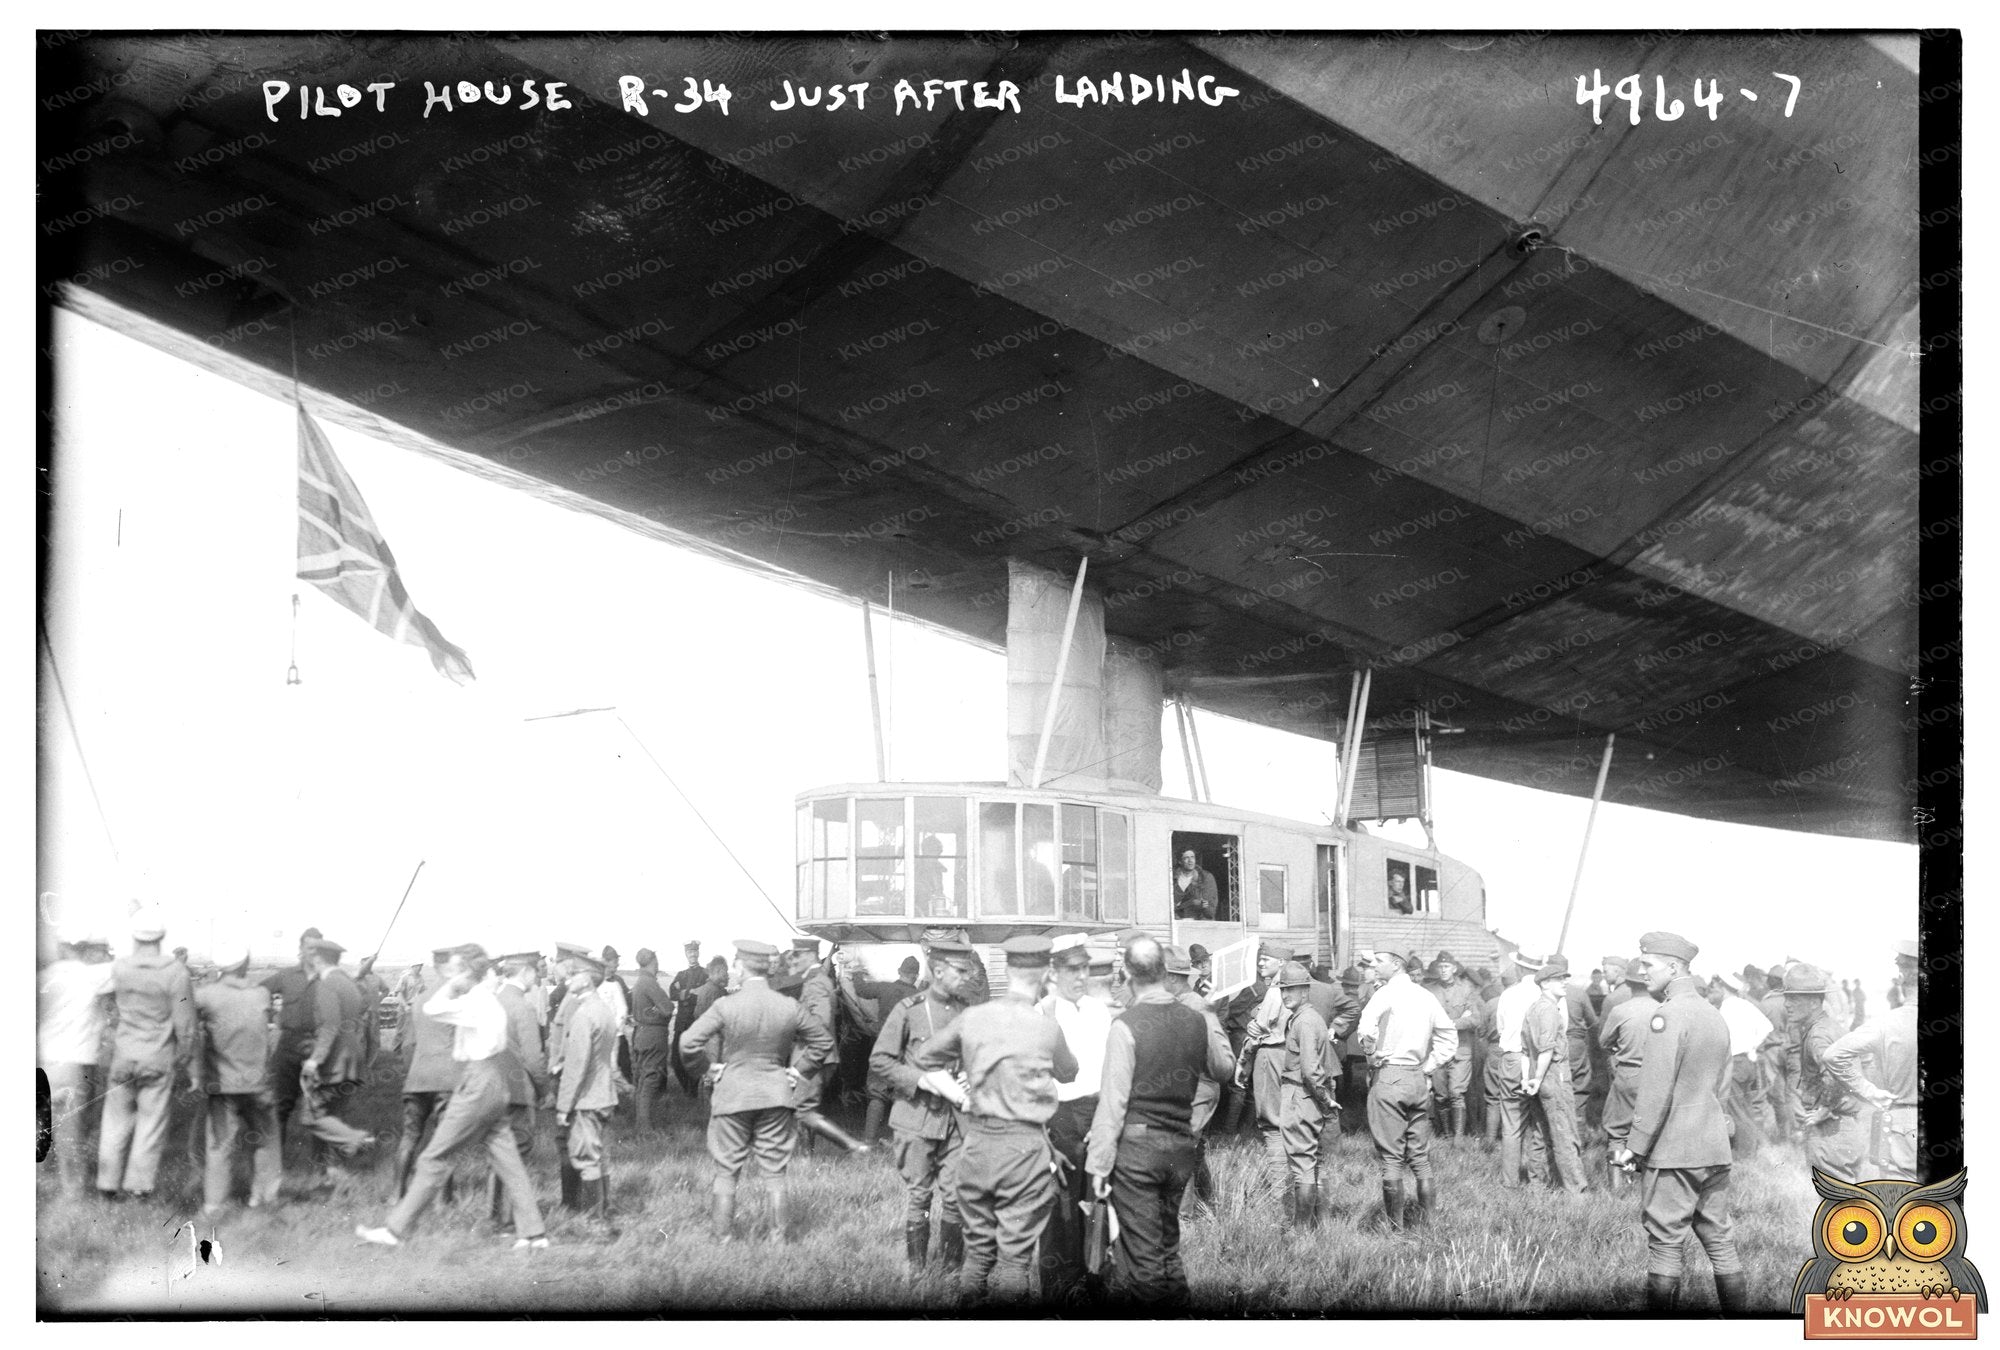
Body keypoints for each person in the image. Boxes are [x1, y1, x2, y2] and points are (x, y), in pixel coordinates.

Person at [913, 934, 1078, 1307]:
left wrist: (961, 1093)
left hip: (977, 1146)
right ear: (1044, 973)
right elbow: (1069, 1072)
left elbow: (925, 1057)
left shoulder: (973, 1017)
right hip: (1025, 1151)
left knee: (978, 1253)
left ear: (1007, 969)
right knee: (1014, 1261)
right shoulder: (1046, 1027)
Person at [356, 945, 551, 1251]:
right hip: (493, 1084)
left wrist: (453, 984)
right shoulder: (486, 1000)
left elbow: (431, 1008)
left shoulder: (474, 1001)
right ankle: (534, 1234)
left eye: (456, 969)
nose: (450, 974)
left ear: (467, 973)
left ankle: (395, 1230)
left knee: (433, 1157)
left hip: (476, 1081)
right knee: (509, 1162)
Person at [1085, 935, 1234, 1306]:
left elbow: (1113, 1104)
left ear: (1128, 973)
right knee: (1168, 1249)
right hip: (1180, 1146)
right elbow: (1222, 1069)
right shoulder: (1197, 1019)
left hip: (1137, 1152)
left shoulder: (1126, 1025)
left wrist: (1098, 1167)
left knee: (1144, 1260)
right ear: (1165, 972)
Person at [1611, 931, 1745, 1312]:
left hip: (1674, 1153)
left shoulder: (1667, 1016)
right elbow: (1722, 1085)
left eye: (1648, 965)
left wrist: (1633, 1149)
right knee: (1720, 1240)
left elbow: (1656, 1092)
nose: (1642, 971)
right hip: (1714, 1147)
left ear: (1673, 968)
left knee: (1666, 1244)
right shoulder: (1713, 1014)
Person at [680, 939, 833, 1243]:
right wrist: (797, 1071)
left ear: (739, 966)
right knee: (775, 1173)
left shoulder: (726, 1004)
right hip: (777, 1094)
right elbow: (823, 1042)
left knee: (726, 1172)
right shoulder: (788, 1005)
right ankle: (779, 1240)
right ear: (767, 967)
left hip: (733, 1094)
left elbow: (687, 1043)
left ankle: (722, 1239)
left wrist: (707, 1069)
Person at [870, 939, 975, 1274]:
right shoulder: (908, 1010)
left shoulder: (967, 1011)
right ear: (938, 969)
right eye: (960, 971)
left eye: (968, 969)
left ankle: (950, 1270)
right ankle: (916, 1270)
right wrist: (921, 1079)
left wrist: (973, 1076)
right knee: (919, 1194)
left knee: (956, 1195)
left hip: (958, 1121)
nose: (967, 976)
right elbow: (881, 1061)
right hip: (917, 1116)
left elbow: (978, 1055)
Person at [97, 909, 197, 1201]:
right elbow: (186, 1025)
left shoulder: (120, 968)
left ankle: (106, 1187)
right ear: (162, 937)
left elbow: (106, 1004)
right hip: (157, 1057)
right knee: (150, 1125)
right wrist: (189, 1062)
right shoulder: (176, 972)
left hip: (123, 1055)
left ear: (134, 935)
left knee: (115, 1122)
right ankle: (138, 1189)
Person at [1355, 947, 1458, 1227]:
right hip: (1417, 1078)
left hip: (1389, 1076)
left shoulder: (1385, 993)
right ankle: (1429, 1225)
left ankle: (1395, 1229)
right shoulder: (1426, 996)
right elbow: (1449, 1037)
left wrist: (1371, 1055)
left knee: (1391, 1159)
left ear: (1396, 965)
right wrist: (1428, 1066)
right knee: (1420, 1158)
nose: (1374, 965)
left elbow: (1366, 1029)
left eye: (1380, 961)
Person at [1039, 936, 1114, 1302]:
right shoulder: (1042, 1013)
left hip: (1094, 1113)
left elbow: (1106, 1071)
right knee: (1060, 1206)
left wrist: (1103, 1121)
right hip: (1059, 1117)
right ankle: (1057, 1287)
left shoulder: (1099, 1011)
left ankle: (1093, 1277)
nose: (1081, 976)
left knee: (1096, 1199)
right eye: (1072, 969)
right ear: (1053, 971)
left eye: (1085, 968)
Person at [1238, 960, 1336, 1229]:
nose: (1284, 995)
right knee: (1314, 1159)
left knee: (1298, 1157)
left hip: (1296, 1088)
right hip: (1306, 1091)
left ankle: (1298, 1226)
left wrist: (1325, 1098)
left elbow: (1309, 1069)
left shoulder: (1303, 1021)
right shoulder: (1309, 1013)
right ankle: (1319, 1223)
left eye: (1290, 990)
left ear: (1305, 991)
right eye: (1283, 991)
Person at [190, 945, 282, 1217]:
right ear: (246, 962)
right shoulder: (261, 994)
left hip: (223, 1082)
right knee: (266, 1139)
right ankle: (264, 1197)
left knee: (219, 1144)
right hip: (258, 1080)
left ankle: (214, 1204)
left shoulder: (205, 996)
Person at [1823, 957, 1919, 1180]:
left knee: (1902, 1202)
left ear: (1902, 980)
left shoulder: (1887, 1022)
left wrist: (1868, 1091)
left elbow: (1833, 1054)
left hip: (1902, 1123)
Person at [38, 932, 114, 1195]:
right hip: (77, 1060)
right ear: (84, 948)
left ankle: (42, 1177)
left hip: (45, 1059)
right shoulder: (91, 976)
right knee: (71, 1129)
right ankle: (74, 1190)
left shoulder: (43, 977)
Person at [298, 937, 377, 1178]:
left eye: (309, 956)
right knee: (334, 1117)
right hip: (353, 1057)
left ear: (317, 958)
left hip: (334, 1060)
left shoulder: (327, 985)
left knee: (312, 1116)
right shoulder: (348, 983)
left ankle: (357, 1140)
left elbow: (330, 1026)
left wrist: (315, 1060)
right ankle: (332, 1173)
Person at [556, 952, 622, 1234]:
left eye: (572, 975)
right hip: (604, 1094)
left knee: (587, 1157)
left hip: (586, 1098)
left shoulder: (584, 1015)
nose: (566, 979)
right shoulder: (603, 1010)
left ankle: (597, 1223)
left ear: (585, 980)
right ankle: (604, 1210)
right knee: (600, 1157)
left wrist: (563, 1106)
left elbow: (576, 1067)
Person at [1784, 962, 1867, 1182]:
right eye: (1787, 997)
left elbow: (1835, 1073)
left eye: (1794, 998)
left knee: (1837, 1206)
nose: (1787, 1004)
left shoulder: (1818, 1034)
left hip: (1832, 1130)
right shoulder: (1829, 1027)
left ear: (1813, 1002)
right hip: (1847, 1127)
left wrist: (1824, 1107)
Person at [1162, 944, 1231, 1208]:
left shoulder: (1196, 1007)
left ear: (1170, 978)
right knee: (1194, 1148)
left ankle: (1185, 1216)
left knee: (1181, 1148)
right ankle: (1208, 1202)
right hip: (1183, 1086)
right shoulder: (1177, 1003)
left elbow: (1220, 1063)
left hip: (1199, 1086)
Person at [789, 937, 868, 1154]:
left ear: (809, 956)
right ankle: (815, 1153)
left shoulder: (815, 983)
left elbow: (821, 1021)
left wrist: (794, 1029)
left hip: (814, 1056)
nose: (793, 961)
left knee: (802, 1109)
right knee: (804, 1108)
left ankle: (847, 1146)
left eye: (797, 956)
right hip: (820, 1055)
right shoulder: (819, 979)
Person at [489, 950, 551, 1230]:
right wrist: (545, 1090)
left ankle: (494, 1215)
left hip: (492, 1087)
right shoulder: (522, 1006)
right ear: (525, 972)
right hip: (517, 1091)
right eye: (536, 970)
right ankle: (508, 1219)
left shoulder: (493, 1002)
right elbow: (534, 1059)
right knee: (518, 1150)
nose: (538, 975)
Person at [395, 948, 462, 1200]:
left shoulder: (421, 999)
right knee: (446, 1138)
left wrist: (412, 1072)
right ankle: (444, 1199)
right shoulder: (458, 999)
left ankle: (396, 1193)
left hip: (417, 1077)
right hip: (447, 1079)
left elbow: (408, 1044)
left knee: (410, 1136)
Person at [1519, 956, 1588, 1194]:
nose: (1564, 983)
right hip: (1553, 1075)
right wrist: (1537, 1078)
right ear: (1545, 984)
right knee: (1565, 1134)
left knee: (1540, 1132)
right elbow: (1546, 1049)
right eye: (1558, 979)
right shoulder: (1548, 1010)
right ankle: (1576, 1191)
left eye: (1564, 979)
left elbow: (1526, 1051)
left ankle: (1537, 1185)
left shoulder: (1534, 1008)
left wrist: (1528, 1078)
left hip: (1536, 1076)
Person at [1594, 959, 1656, 1190]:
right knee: (1654, 1130)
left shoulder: (1621, 1010)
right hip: (1658, 1077)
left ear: (1629, 983)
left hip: (1628, 1074)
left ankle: (1617, 1188)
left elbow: (1604, 1041)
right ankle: (1650, 1186)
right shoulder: (1663, 1009)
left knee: (1617, 1132)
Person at [261, 927, 323, 1141]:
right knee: (280, 1106)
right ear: (301, 949)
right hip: (288, 1046)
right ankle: (277, 1167)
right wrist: (271, 1016)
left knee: (319, 1108)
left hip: (319, 1047)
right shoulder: (286, 976)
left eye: (318, 948)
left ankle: (321, 1169)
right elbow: (259, 992)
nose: (313, 953)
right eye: (309, 948)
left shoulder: (330, 978)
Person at [854, 955, 923, 1148]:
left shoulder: (885, 988)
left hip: (884, 1047)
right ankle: (901, 1142)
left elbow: (861, 990)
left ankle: (869, 1140)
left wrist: (857, 972)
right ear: (915, 976)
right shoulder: (920, 996)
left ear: (899, 971)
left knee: (877, 1092)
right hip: (908, 1050)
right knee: (904, 1094)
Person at [1492, 952, 1546, 1187]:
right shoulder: (1547, 996)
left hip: (1512, 1059)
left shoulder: (1508, 994)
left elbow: (1500, 1028)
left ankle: (1510, 1182)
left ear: (1519, 968)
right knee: (1540, 1122)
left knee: (1512, 1124)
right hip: (1540, 1062)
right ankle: (1537, 1180)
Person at [1707, 972, 1775, 1158]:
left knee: (1736, 1108)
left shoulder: (1727, 1009)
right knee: (1745, 1106)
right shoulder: (1745, 1005)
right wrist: (1752, 1047)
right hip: (1747, 1061)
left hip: (1734, 1063)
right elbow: (1767, 1027)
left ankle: (1745, 1152)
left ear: (1723, 988)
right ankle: (1751, 1147)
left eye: (1717, 988)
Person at [1422, 951, 1480, 1140]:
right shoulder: (1429, 990)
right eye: (1440, 967)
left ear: (1454, 969)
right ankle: (1445, 1133)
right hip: (1437, 1050)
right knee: (1440, 1095)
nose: (1443, 970)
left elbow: (1475, 1019)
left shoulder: (1466, 990)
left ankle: (1458, 1138)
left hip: (1460, 1050)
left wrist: (1452, 1024)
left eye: (1446, 967)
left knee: (1456, 1092)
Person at [628, 947, 676, 1133]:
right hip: (654, 1037)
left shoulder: (639, 982)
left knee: (642, 1081)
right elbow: (668, 1008)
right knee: (651, 1079)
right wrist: (658, 1011)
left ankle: (640, 1123)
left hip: (641, 1034)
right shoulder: (649, 983)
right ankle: (645, 1128)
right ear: (653, 961)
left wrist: (652, 1011)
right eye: (656, 961)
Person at [667, 941, 708, 1099]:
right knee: (676, 1061)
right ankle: (687, 1089)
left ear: (698, 953)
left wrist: (684, 992)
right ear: (686, 954)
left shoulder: (705, 974)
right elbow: (672, 993)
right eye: (689, 952)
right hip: (681, 1024)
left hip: (696, 1022)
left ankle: (693, 1091)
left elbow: (705, 993)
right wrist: (688, 993)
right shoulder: (681, 974)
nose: (692, 955)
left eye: (694, 952)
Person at [353, 955, 387, 1071]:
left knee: (374, 1039)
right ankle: (359, 1064)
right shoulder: (358, 976)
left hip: (374, 1013)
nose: (367, 965)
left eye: (368, 963)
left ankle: (370, 1065)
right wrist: (371, 959)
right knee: (359, 1038)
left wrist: (379, 1000)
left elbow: (386, 989)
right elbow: (363, 970)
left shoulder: (377, 978)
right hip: (360, 1013)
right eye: (364, 963)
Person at [1172, 848, 1218, 921]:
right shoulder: (1172, 878)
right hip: (1177, 922)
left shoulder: (1205, 877)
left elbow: (1210, 912)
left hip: (1200, 923)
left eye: (1192, 857)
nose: (1190, 861)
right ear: (1180, 861)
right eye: (1186, 858)